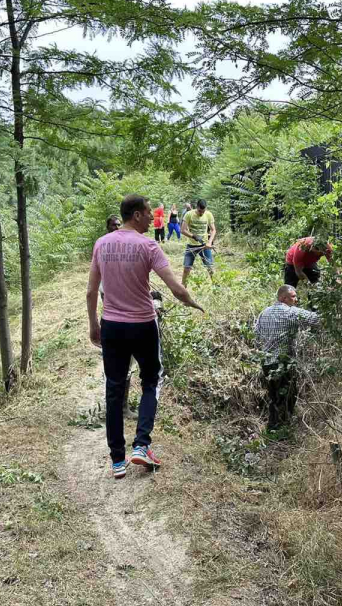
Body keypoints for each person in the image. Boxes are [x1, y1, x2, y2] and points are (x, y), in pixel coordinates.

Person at [87, 194, 205, 479]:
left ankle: (117, 461)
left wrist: (94, 325)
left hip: (112, 326)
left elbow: (92, 291)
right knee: (151, 380)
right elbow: (176, 288)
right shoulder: (148, 245)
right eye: (149, 213)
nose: (153, 217)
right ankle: (141, 445)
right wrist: (195, 304)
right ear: (136, 215)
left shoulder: (102, 244)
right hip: (142, 325)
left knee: (114, 388)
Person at [254, 285, 320, 431]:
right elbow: (316, 320)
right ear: (283, 298)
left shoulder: (264, 313)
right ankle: (283, 430)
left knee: (273, 397)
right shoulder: (290, 312)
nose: (296, 300)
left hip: (267, 363)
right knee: (287, 397)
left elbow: (256, 335)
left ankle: (273, 428)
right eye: (293, 296)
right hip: (283, 363)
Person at [99, 215, 138, 420]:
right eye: (112, 225)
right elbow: (101, 291)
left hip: (122, 319)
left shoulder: (123, 250)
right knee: (117, 367)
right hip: (117, 320)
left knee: (126, 366)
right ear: (107, 228)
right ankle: (115, 408)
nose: (115, 228)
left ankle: (121, 408)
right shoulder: (104, 250)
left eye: (117, 225)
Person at [181, 198, 216, 286]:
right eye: (200, 211)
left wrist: (209, 242)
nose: (201, 213)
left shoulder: (208, 214)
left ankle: (215, 285)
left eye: (203, 211)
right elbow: (183, 230)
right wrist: (193, 236)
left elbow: (213, 230)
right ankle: (183, 287)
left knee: (210, 267)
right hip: (191, 245)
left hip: (204, 246)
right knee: (186, 268)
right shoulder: (189, 214)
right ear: (196, 207)